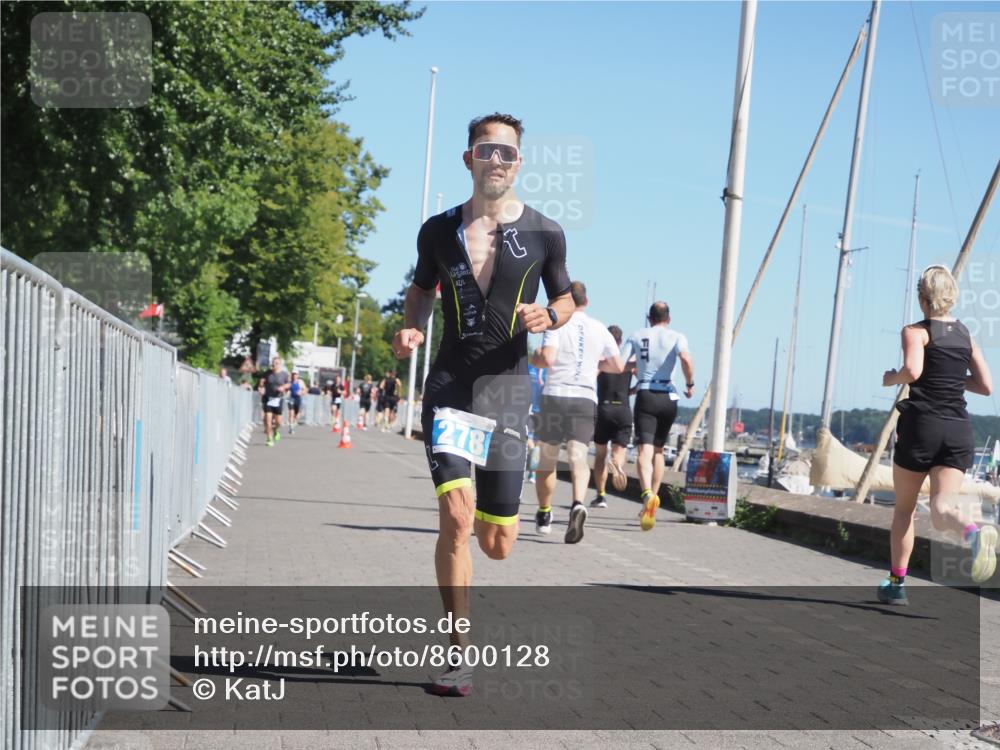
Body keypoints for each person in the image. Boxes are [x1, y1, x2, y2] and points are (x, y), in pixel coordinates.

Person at [391, 112, 573, 696]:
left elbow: (566, 299)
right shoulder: (438, 230)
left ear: (519, 163)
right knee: (457, 518)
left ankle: (505, 527)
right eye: (487, 150)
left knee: (496, 543)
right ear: (468, 158)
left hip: (508, 394)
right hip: (451, 389)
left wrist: (551, 316)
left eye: (508, 152)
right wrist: (411, 327)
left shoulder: (546, 232)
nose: (498, 160)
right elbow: (420, 292)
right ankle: (457, 652)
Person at [878, 265, 995, 604]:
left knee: (904, 510)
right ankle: (973, 535)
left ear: (922, 297)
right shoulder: (966, 335)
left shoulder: (916, 332)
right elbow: (986, 386)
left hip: (922, 427)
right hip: (958, 428)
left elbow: (913, 370)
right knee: (943, 507)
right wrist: (954, 380)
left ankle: (897, 584)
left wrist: (892, 378)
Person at [531, 281, 623, 543]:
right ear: (587, 302)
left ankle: (545, 512)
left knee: (547, 458)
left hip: (556, 395)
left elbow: (548, 358)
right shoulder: (600, 329)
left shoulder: (556, 322)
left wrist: (534, 358)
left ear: (565, 302)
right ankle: (577, 504)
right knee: (578, 456)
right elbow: (617, 365)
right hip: (584, 397)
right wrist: (596, 364)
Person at [621, 301, 695, 531]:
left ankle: (646, 495)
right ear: (668, 318)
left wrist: (637, 368)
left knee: (645, 450)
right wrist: (690, 383)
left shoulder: (637, 335)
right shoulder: (677, 336)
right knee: (660, 451)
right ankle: (655, 494)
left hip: (646, 395)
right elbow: (685, 359)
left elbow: (619, 363)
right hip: (669, 397)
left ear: (649, 318)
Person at [592, 325, 633, 508]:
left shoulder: (601, 361)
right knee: (620, 450)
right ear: (620, 342)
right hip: (623, 409)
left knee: (600, 455)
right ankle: (617, 462)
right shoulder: (626, 364)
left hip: (604, 409)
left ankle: (601, 496)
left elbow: (590, 376)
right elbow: (643, 376)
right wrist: (631, 390)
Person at [262, 357, 291, 447]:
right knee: (268, 420)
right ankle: (269, 439)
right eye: (273, 363)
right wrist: (261, 387)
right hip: (268, 398)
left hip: (278, 399)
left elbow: (289, 383)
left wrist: (284, 387)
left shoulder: (284, 374)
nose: (274, 365)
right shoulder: (267, 373)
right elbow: (262, 382)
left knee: (278, 422)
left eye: (277, 363)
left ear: (280, 364)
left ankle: (276, 431)